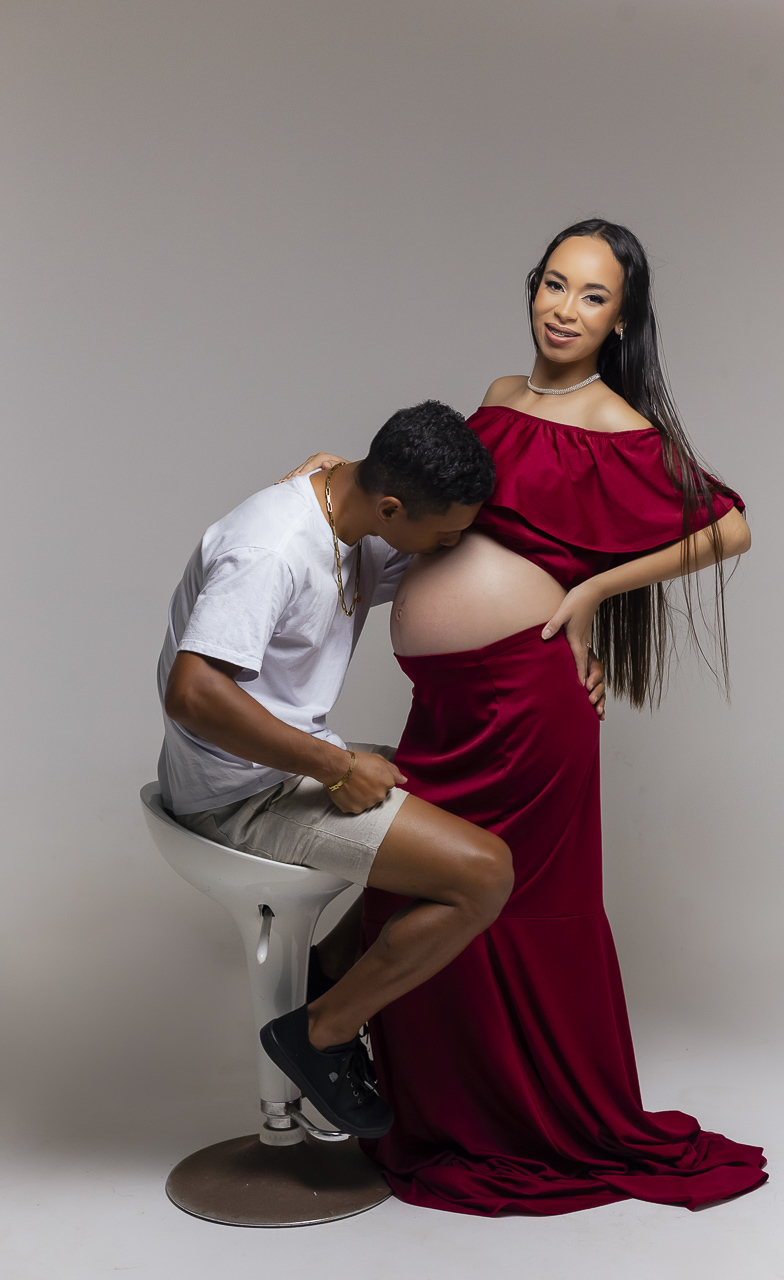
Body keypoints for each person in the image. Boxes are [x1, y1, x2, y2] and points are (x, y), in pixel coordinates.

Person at [288, 220, 767, 1215]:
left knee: (506, 901)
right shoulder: (501, 395)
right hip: (447, 703)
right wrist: (358, 478)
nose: (564, 309)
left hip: (525, 709)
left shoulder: (617, 422)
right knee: (429, 884)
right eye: (554, 284)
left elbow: (728, 526)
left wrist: (592, 592)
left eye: (592, 296)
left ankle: (513, 1116)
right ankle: (421, 1094)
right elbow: (441, 512)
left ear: (620, 320)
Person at [156, 400, 522, 1142]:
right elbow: (192, 693)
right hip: (240, 795)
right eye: (443, 533)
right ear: (391, 508)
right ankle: (320, 1034)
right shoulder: (272, 548)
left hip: (283, 762)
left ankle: (326, 970)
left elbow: (469, 548)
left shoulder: (356, 516)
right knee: (483, 876)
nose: (449, 545)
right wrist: (335, 766)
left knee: (465, 787)